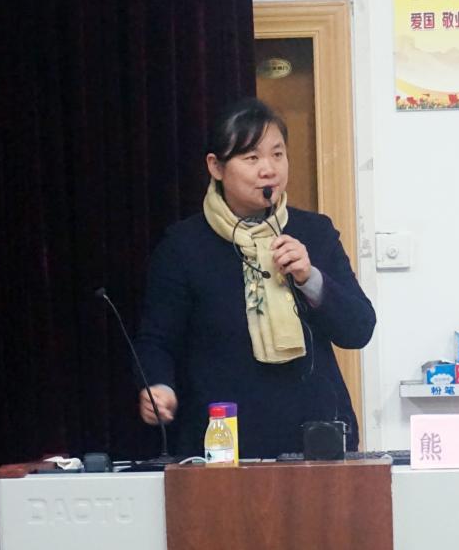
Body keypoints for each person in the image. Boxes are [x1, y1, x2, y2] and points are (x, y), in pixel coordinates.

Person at [133, 97, 376, 459]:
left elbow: (359, 329)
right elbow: (157, 339)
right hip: (224, 440)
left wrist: (310, 278)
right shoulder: (184, 245)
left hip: (314, 435)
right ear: (216, 167)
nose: (269, 170)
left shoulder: (315, 232)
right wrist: (158, 385)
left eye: (278, 155)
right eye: (251, 158)